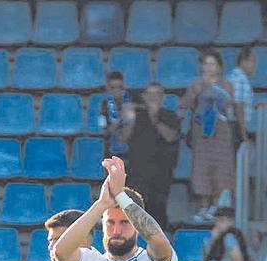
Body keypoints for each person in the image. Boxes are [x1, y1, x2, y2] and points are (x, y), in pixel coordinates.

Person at [182, 51, 236, 220]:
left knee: (220, 170)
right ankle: (204, 207)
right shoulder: (195, 84)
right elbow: (185, 103)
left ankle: (215, 207)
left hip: (221, 135)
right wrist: (198, 90)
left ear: (219, 67)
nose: (209, 67)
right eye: (206, 63)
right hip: (201, 136)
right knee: (201, 170)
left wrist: (211, 88)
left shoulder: (227, 85)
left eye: (212, 63)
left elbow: (228, 103)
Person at [119, 83, 180, 231]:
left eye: (157, 93)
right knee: (137, 209)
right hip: (138, 170)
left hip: (161, 170)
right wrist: (129, 121)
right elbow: (124, 138)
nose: (153, 97)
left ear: (162, 97)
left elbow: (171, 137)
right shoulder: (137, 115)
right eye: (150, 94)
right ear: (144, 97)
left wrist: (155, 118)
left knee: (158, 209)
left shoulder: (170, 115)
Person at [226, 47, 257, 153]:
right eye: (252, 61)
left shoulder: (232, 76)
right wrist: (244, 136)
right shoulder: (240, 79)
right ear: (243, 61)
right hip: (234, 128)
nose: (254, 66)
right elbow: (238, 106)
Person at [99, 71, 131, 157]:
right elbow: (103, 129)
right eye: (113, 88)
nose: (117, 91)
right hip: (112, 145)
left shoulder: (131, 100)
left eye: (120, 87)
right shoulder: (104, 104)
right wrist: (117, 123)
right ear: (108, 88)